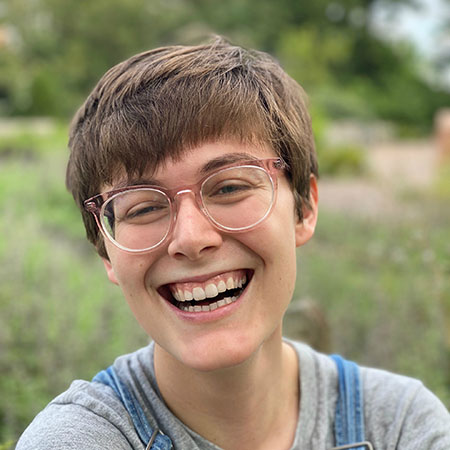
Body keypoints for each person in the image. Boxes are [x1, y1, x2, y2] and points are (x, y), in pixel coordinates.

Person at [16, 37, 450, 450]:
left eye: (228, 188)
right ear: (106, 251)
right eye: (142, 208)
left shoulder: (399, 424)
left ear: (304, 208)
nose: (191, 239)